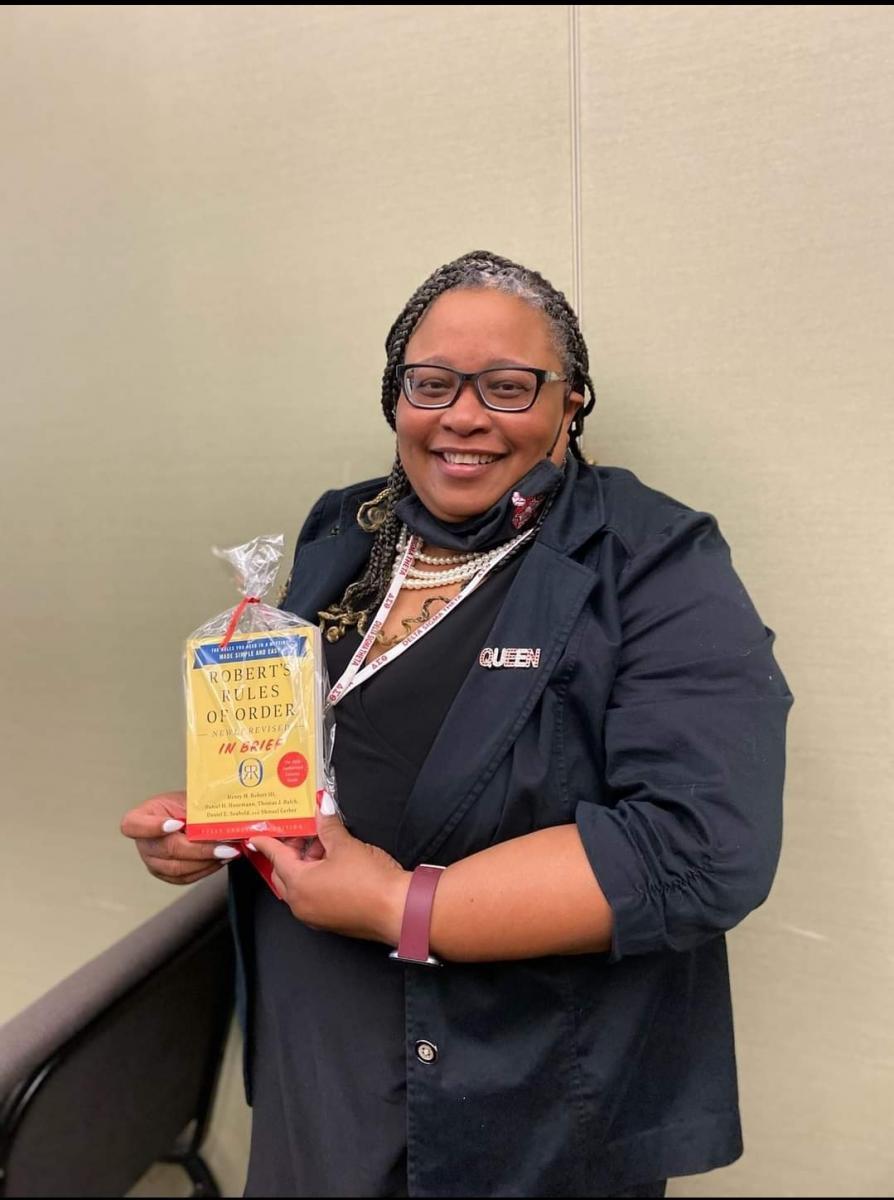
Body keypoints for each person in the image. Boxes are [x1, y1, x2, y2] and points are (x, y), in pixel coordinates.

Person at [121, 250, 793, 1198]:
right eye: (431, 383)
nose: (463, 415)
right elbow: (317, 741)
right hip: (319, 1056)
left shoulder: (653, 557)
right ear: (395, 396)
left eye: (508, 387)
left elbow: (701, 846)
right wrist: (227, 818)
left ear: (571, 402)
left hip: (512, 1088)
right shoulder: (345, 527)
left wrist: (402, 907)